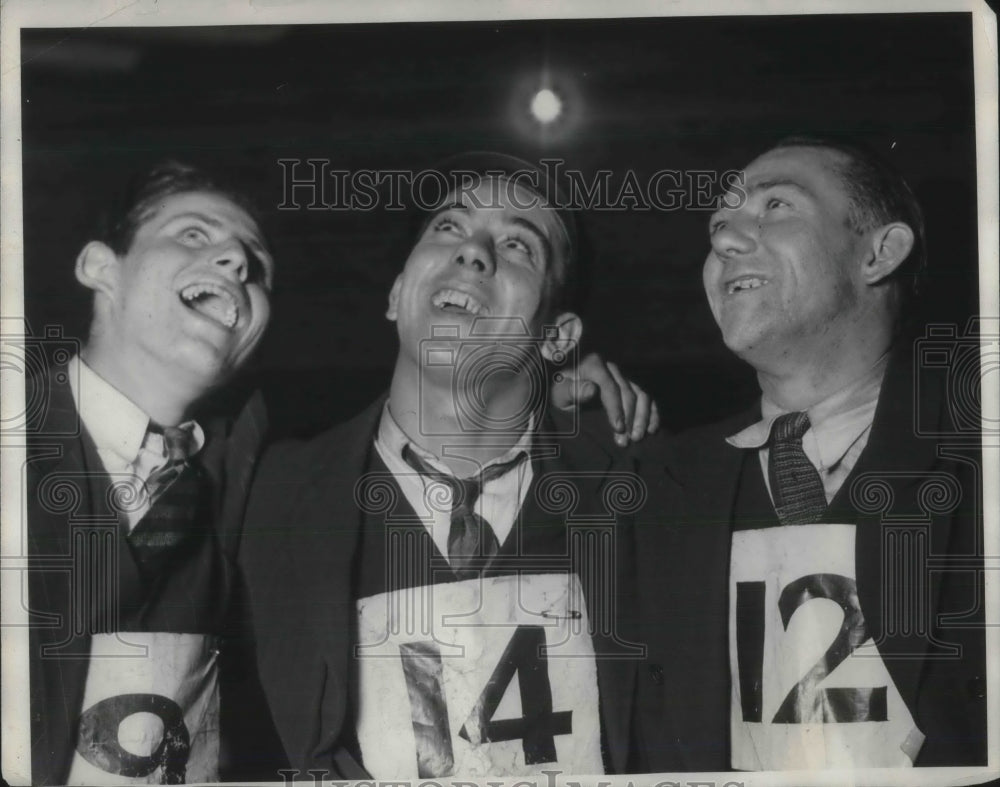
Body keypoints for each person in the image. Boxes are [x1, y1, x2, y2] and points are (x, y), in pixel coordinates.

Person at [241, 154, 652, 779]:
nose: (473, 251)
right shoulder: (265, 492)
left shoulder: (639, 496)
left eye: (518, 244)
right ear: (397, 293)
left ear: (558, 337)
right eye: (448, 227)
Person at [633, 136, 986, 770]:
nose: (725, 241)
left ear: (879, 253)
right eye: (719, 224)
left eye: (774, 208)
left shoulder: (981, 458)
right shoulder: (656, 486)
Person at [25, 162, 286, 784]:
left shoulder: (265, 486)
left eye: (257, 261)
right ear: (101, 268)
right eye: (195, 234)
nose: (238, 262)